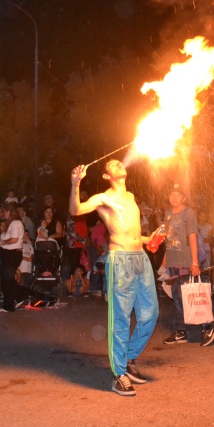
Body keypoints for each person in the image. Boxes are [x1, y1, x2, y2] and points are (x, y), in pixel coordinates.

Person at [71, 160, 159, 397]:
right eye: (113, 164)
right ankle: (118, 374)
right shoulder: (103, 198)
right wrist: (75, 184)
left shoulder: (130, 196)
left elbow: (131, 231)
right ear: (106, 175)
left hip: (140, 258)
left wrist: (147, 239)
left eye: (120, 162)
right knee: (120, 319)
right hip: (120, 261)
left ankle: (128, 358)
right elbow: (76, 210)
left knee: (150, 314)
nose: (119, 164)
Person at [159, 182, 214, 346]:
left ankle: (208, 328)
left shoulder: (188, 213)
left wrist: (194, 263)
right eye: (171, 194)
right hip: (173, 261)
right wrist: (165, 258)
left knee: (193, 296)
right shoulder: (168, 214)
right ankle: (181, 331)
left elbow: (192, 237)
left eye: (178, 195)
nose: (174, 197)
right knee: (177, 297)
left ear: (184, 197)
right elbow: (169, 238)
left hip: (186, 261)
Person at [0, 206, 26, 313]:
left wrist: (1, 243)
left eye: (5, 211)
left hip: (12, 254)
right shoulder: (11, 224)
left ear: (10, 212)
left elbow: (14, 239)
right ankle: (20, 296)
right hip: (8, 254)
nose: (4, 214)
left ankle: (9, 305)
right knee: (7, 280)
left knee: (7, 281)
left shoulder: (15, 223)